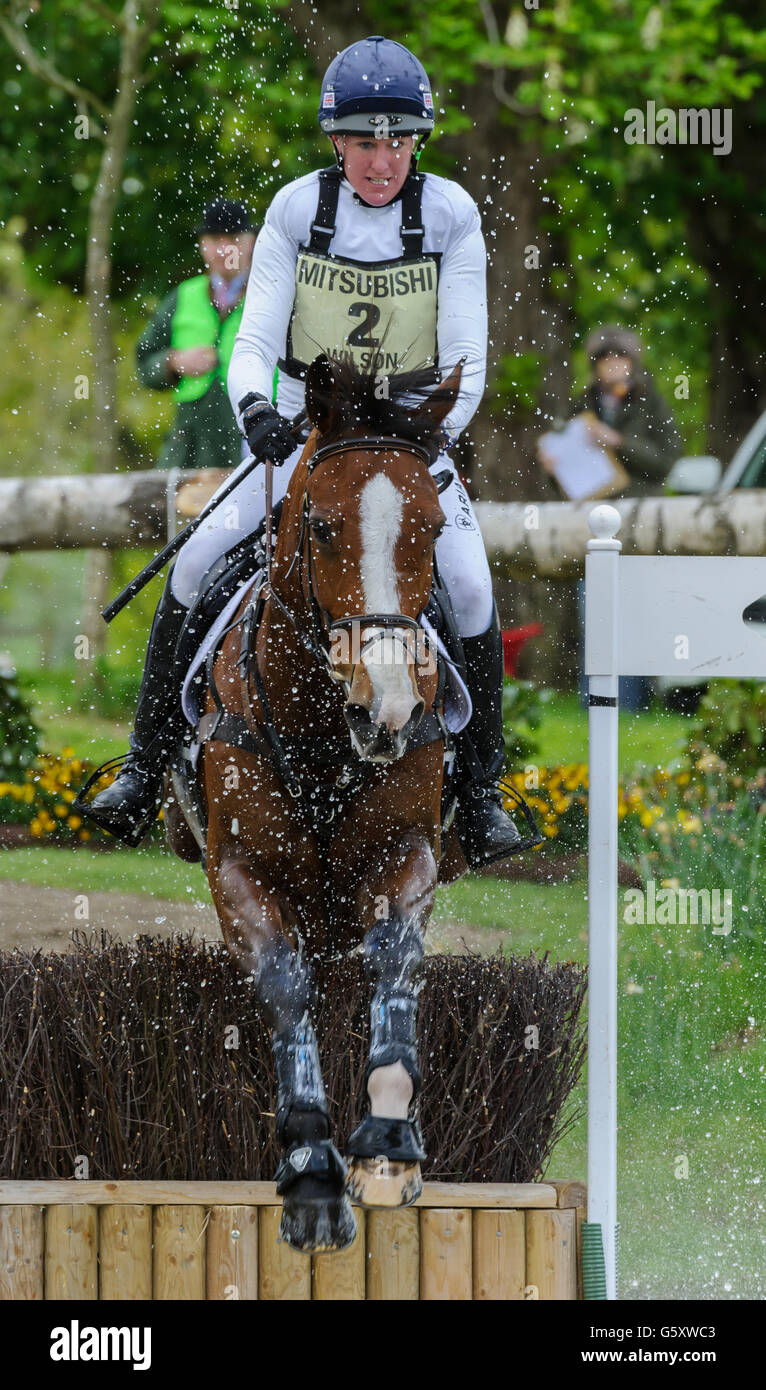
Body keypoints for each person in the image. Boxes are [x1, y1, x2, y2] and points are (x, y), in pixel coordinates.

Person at [80, 36, 526, 869]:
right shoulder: (294, 210)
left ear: (417, 141)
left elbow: (470, 362)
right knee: (198, 556)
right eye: (365, 141)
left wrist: (418, 428)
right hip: (305, 429)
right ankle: (143, 769)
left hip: (408, 438)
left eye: (398, 140)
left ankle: (483, 791)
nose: (382, 160)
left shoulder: (453, 213)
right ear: (336, 141)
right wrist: (253, 409)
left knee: (469, 582)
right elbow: (251, 341)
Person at [539, 324, 683, 710]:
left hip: (639, 520)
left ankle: (635, 704)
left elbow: (667, 461)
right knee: (595, 611)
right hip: (592, 522)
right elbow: (569, 478)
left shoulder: (650, 401)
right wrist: (552, 467)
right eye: (607, 359)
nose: (614, 366)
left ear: (632, 363)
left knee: (636, 612)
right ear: (597, 365)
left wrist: (618, 442)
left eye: (621, 359)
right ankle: (597, 702)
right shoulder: (580, 405)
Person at [135, 198, 258, 470]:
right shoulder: (182, 296)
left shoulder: (271, 295)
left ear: (251, 241)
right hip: (188, 452)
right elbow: (143, 362)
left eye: (234, 238)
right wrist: (173, 363)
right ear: (202, 245)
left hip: (253, 446)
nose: (224, 249)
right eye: (215, 239)